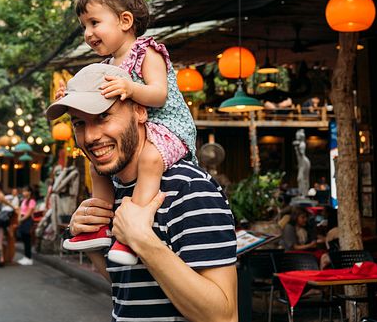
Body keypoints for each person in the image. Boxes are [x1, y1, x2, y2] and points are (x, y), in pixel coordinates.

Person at [46, 64, 237, 321]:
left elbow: (223, 316)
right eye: (79, 123)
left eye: (103, 116)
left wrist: (143, 240)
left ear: (139, 111)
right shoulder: (116, 192)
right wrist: (91, 239)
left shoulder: (189, 189)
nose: (90, 136)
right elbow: (128, 285)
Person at [59, 0, 197, 265]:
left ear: (124, 21)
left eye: (94, 23)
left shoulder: (148, 53)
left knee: (148, 160)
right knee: (96, 168)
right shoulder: (106, 64)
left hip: (168, 126)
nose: (87, 33)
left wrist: (131, 88)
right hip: (142, 129)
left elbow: (159, 95)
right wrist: (67, 94)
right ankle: (98, 224)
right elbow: (93, 100)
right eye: (84, 26)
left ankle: (133, 230)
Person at [17, 186, 36, 266]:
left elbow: (29, 212)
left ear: (29, 192)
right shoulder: (23, 200)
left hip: (27, 220)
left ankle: (29, 258)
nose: (23, 193)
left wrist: (22, 219)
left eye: (25, 191)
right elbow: (20, 210)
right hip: (22, 219)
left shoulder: (32, 201)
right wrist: (19, 219)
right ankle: (25, 257)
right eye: (23, 191)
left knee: (28, 240)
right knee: (24, 239)